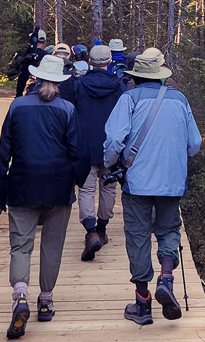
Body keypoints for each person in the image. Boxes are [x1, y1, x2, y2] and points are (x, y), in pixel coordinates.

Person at [0, 55, 90, 339]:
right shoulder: (67, 109)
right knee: (52, 246)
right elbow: (79, 153)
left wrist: (0, 190)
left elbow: (3, 153)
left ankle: (20, 295)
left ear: (35, 78)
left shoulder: (17, 107)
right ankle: (45, 301)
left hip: (23, 185)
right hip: (58, 187)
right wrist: (78, 182)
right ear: (60, 80)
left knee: (20, 246)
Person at [103, 47, 202, 326]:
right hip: (172, 182)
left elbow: (113, 141)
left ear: (136, 76)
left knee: (138, 236)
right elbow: (195, 144)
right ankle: (166, 280)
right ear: (160, 76)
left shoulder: (128, 99)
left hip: (137, 183)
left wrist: (109, 164)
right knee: (169, 229)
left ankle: (142, 304)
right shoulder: (180, 100)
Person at [66, 44, 125, 261]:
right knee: (108, 189)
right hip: (110, 146)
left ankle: (91, 232)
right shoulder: (119, 87)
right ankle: (102, 228)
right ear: (109, 62)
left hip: (85, 146)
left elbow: (72, 114)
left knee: (87, 189)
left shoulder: (79, 86)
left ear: (90, 62)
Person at [9, 28, 47, 98]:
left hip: (21, 97)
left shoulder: (22, 54)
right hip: (42, 97)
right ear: (44, 41)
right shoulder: (47, 57)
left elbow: (11, 74)